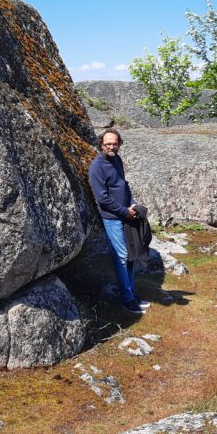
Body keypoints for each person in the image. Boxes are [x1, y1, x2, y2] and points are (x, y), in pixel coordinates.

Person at [88, 129, 151, 314]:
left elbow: (123, 185)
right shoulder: (97, 166)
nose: (111, 146)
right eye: (107, 143)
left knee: (131, 256)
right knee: (122, 257)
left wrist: (132, 204)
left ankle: (131, 294)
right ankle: (127, 299)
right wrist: (124, 211)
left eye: (114, 143)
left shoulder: (117, 160)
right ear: (101, 144)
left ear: (119, 143)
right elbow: (102, 198)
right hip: (113, 218)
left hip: (126, 215)